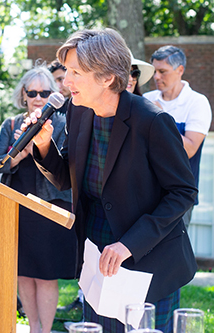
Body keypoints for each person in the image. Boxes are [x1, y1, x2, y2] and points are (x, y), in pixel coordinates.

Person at [26, 28, 198, 333]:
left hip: (149, 263)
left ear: (107, 77)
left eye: (76, 72)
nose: (66, 82)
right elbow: (67, 178)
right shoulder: (79, 112)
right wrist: (42, 145)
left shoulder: (153, 121)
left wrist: (128, 245)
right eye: (66, 71)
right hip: (98, 260)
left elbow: (183, 192)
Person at [0, 63, 77, 333]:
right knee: (23, 272)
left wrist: (42, 145)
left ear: (54, 93)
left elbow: (68, 167)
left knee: (46, 274)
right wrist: (22, 152)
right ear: (24, 95)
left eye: (44, 92)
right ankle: (32, 327)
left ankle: (46, 329)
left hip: (51, 209)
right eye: (33, 93)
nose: (38, 98)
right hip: (18, 208)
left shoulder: (63, 123)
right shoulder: (12, 124)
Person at [143, 45, 212, 230]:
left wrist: (161, 117)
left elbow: (188, 149)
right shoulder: (146, 99)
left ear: (180, 70)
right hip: (144, 195)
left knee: (171, 256)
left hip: (178, 197)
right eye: (154, 71)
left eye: (162, 71)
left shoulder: (197, 103)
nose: (156, 77)